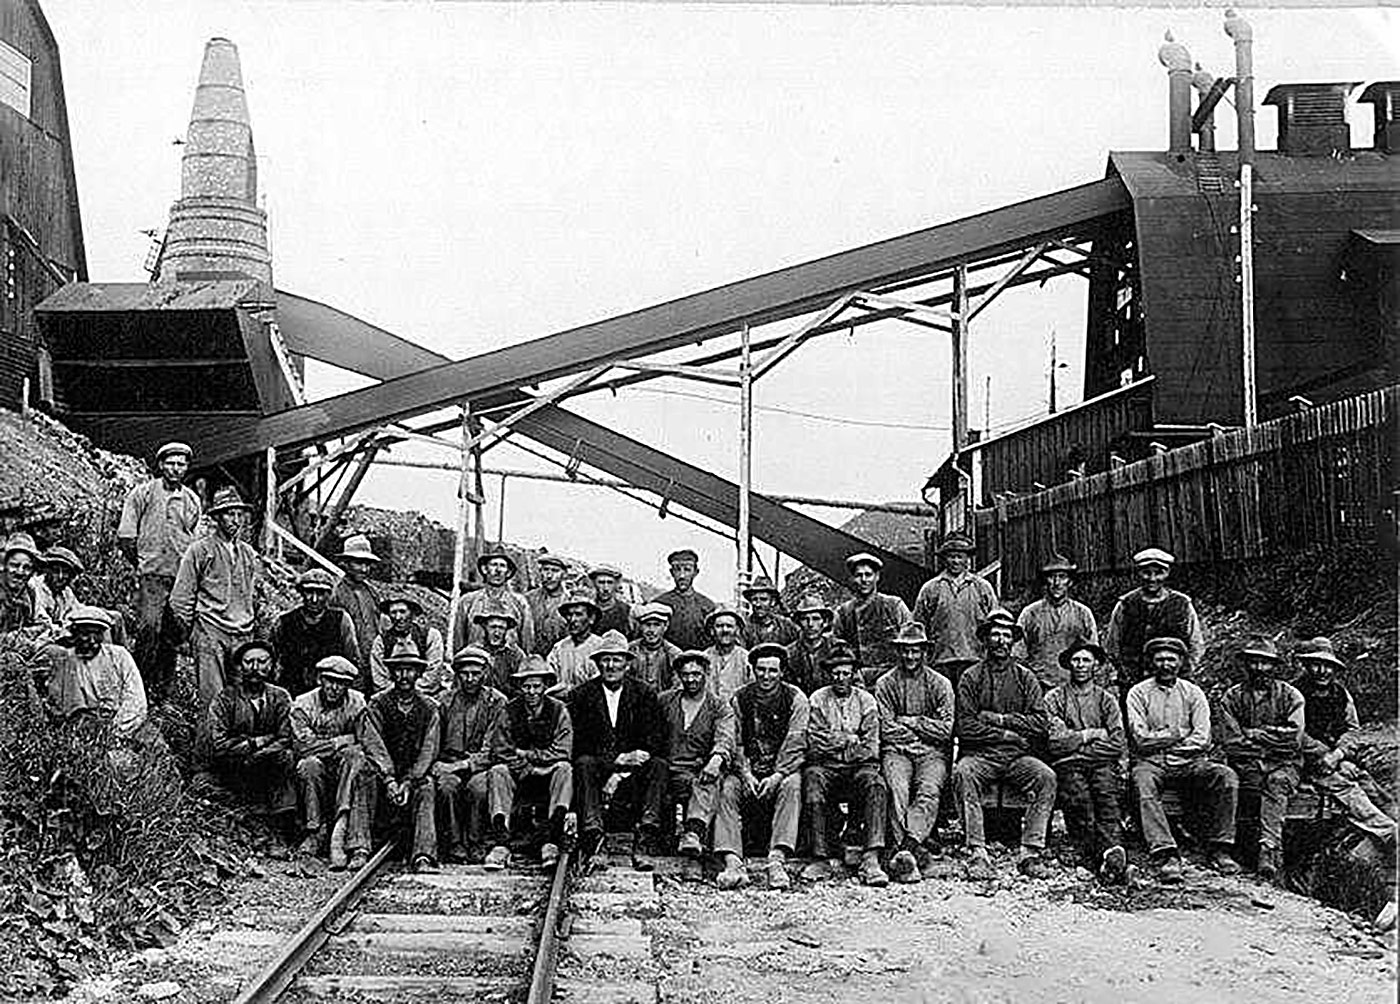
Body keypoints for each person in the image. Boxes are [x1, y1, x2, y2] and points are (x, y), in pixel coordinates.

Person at [1126, 636, 1241, 883]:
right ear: (1151, 663)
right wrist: (1177, 735)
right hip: (1152, 763)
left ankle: (1220, 847)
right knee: (1142, 781)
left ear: (1180, 662)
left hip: (1190, 763)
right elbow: (1140, 739)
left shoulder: (1193, 693)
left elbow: (1202, 738)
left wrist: (1165, 743)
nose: (1165, 665)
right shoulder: (1138, 693)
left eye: (1171, 659)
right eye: (1159, 659)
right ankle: (1165, 853)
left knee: (1225, 776)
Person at [952, 609, 1056, 881]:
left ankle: (1030, 850)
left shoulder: (1025, 677)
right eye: (995, 634)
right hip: (981, 755)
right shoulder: (971, 677)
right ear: (986, 639)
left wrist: (1000, 719)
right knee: (963, 773)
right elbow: (965, 726)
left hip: (1016, 758)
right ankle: (976, 850)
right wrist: (1007, 734)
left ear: (1013, 641)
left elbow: (1039, 723)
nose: (1000, 640)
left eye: (1006, 635)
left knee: (1046, 777)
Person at [567, 631, 668, 870]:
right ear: (598, 663)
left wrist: (620, 773)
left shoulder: (644, 694)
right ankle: (595, 840)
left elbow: (654, 741)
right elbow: (580, 745)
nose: (611, 666)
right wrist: (616, 760)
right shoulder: (581, 696)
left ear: (627, 664)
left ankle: (644, 841)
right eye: (606, 660)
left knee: (659, 766)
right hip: (597, 770)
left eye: (617, 660)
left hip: (634, 773)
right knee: (583, 764)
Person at [714, 643, 808, 891]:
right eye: (761, 670)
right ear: (753, 670)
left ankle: (777, 858)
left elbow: (796, 741)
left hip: (781, 769)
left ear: (782, 672)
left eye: (772, 670)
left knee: (793, 785)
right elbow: (734, 740)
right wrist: (745, 772)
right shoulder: (740, 698)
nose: (766, 676)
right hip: (747, 769)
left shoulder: (795, 698)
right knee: (727, 788)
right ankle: (732, 860)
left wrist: (777, 775)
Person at [802, 643, 890, 887]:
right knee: (812, 779)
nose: (840, 679)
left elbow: (870, 747)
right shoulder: (817, 699)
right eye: (836, 673)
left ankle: (871, 856)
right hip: (826, 767)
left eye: (846, 673)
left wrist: (837, 745)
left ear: (853, 674)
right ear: (829, 674)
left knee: (875, 783)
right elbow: (814, 744)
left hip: (859, 767)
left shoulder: (866, 701)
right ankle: (820, 857)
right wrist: (847, 739)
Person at [117, 441, 201, 698]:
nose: (175, 469)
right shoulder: (143, 493)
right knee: (149, 628)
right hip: (152, 576)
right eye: (170, 463)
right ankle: (137, 687)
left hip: (181, 579)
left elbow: (195, 541)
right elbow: (126, 536)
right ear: (161, 465)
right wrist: (143, 563)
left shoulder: (192, 500)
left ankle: (163, 690)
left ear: (186, 467)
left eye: (181, 464)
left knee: (173, 632)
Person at [1293, 637, 1396, 844]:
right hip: (1303, 761)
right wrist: (1324, 755)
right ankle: (1388, 832)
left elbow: (1353, 731)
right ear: (1306, 666)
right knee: (1345, 786)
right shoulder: (1292, 693)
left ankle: (1394, 817)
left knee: (1365, 780)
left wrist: (1338, 754)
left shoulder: (1341, 694)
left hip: (1335, 758)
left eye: (1327, 666)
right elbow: (1294, 733)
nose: (1322, 671)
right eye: (1316, 665)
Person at [1219, 636, 1306, 881]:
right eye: (1254, 662)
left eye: (1265, 663)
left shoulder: (1291, 696)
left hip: (1285, 765)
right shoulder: (1232, 697)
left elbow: (1293, 740)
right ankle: (1240, 852)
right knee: (1247, 786)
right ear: (1246, 665)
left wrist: (1255, 734)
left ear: (1274, 666)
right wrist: (1271, 742)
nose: (1259, 668)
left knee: (1277, 782)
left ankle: (1269, 851)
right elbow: (1232, 743)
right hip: (1246, 765)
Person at [170, 487, 262, 710]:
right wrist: (189, 634)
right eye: (229, 514)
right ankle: (209, 735)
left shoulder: (248, 554)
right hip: (210, 631)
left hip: (243, 634)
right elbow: (181, 598)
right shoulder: (200, 550)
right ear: (217, 518)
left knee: (243, 699)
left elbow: (254, 596)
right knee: (213, 701)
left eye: (239, 514)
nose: (236, 520)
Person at [875, 622, 954, 882]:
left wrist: (914, 722)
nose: (910, 656)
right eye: (905, 650)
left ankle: (906, 847)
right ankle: (912, 849)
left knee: (929, 789)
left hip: (931, 753)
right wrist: (921, 732)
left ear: (924, 652)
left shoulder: (940, 684)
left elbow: (945, 730)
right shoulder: (886, 683)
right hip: (897, 750)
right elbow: (886, 728)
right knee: (896, 787)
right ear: (899, 652)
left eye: (915, 650)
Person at [1044, 638, 1127, 882]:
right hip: (1068, 766)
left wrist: (1077, 747)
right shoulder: (1054, 698)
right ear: (1069, 665)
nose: (1080, 665)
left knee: (1106, 797)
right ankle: (1100, 857)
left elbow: (1117, 742)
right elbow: (1055, 743)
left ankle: (1112, 854)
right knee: (1079, 799)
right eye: (1076, 660)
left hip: (1100, 762)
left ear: (1096, 665)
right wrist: (1090, 734)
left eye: (1086, 660)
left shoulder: (1107, 700)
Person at [485, 657, 575, 868]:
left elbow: (563, 750)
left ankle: (551, 840)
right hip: (519, 774)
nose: (532, 692)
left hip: (549, 773)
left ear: (545, 686)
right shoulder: (509, 710)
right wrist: (527, 768)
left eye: (536, 686)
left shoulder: (558, 710)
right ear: (520, 687)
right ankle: (501, 842)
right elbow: (501, 750)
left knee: (565, 769)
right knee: (498, 771)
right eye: (526, 687)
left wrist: (530, 755)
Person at [361, 637, 441, 872]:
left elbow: (429, 749)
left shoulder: (429, 707)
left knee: (427, 787)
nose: (404, 676)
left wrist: (408, 781)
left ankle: (423, 855)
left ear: (418, 673)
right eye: (399, 670)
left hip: (413, 776)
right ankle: (359, 847)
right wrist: (388, 779)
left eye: (410, 670)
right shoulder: (377, 704)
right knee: (363, 777)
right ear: (391, 672)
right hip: (383, 773)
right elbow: (373, 743)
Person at [656, 650, 734, 879]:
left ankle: (694, 833)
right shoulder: (665, 701)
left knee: (710, 780)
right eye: (686, 674)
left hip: (700, 769)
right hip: (669, 768)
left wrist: (717, 758)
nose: (691, 679)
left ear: (706, 674)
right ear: (679, 676)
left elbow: (725, 736)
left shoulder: (719, 706)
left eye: (696, 674)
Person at [290, 655, 371, 871]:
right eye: (330, 681)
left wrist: (332, 744)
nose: (335, 688)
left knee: (356, 756)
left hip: (344, 768)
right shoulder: (303, 704)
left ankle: (342, 827)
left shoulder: (357, 703)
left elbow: (364, 740)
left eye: (341, 683)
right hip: (317, 769)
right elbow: (303, 748)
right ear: (320, 679)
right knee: (309, 765)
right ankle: (315, 831)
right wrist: (340, 741)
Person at [204, 639, 297, 823]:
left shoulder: (280, 697)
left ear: (271, 666)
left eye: (262, 662)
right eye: (248, 662)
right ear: (239, 666)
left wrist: (259, 753)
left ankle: (283, 820)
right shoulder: (225, 698)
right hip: (236, 765)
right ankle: (249, 813)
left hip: (269, 762)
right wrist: (256, 742)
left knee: (285, 756)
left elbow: (286, 737)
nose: (255, 668)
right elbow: (218, 744)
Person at [433, 646, 509, 865]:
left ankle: (477, 841)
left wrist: (463, 765)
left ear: (484, 673)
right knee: (447, 787)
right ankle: (455, 842)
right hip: (448, 762)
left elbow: (493, 748)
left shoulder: (497, 701)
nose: (470, 679)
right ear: (457, 675)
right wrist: (439, 765)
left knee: (479, 788)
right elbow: (434, 738)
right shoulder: (444, 701)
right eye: (465, 674)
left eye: (475, 673)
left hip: (481, 766)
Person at [1104, 548, 1205, 696]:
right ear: (1138, 573)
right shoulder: (1125, 604)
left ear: (1167, 573)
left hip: (1173, 681)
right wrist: (1124, 672)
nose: (1152, 579)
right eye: (1146, 572)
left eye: (1158, 573)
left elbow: (1196, 644)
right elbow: (1113, 646)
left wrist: (1185, 672)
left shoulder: (1182, 604)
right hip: (1134, 682)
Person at [43, 606, 148, 741]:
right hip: (87, 728)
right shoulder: (66, 661)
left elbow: (136, 700)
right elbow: (64, 710)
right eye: (85, 634)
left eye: (97, 634)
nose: (92, 641)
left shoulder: (119, 656)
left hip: (124, 722)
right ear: (75, 634)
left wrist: (115, 731)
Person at [912, 533, 998, 690]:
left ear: (967, 559)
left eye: (960, 557)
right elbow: (918, 626)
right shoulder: (931, 588)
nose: (956, 561)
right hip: (940, 661)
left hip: (975, 659)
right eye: (951, 557)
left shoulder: (982, 587)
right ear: (944, 559)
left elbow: (995, 623)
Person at [270, 569, 360, 699]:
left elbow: (352, 658)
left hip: (331, 692)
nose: (314, 599)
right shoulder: (285, 622)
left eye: (321, 593)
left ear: (329, 595)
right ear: (301, 592)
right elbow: (272, 660)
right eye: (309, 592)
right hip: (292, 691)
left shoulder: (341, 620)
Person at [1015, 555, 1099, 691]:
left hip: (1074, 685)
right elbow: (1018, 655)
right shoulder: (1030, 613)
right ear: (1045, 581)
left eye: (1062, 577)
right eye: (1052, 577)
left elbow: (1093, 653)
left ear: (1070, 582)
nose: (1057, 583)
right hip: (1039, 685)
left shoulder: (1083, 613)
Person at [833, 552, 911, 687]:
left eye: (868, 575)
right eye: (859, 575)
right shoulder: (844, 612)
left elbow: (912, 640)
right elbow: (838, 649)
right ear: (852, 578)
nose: (864, 580)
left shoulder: (894, 605)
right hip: (859, 681)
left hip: (893, 677)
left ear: (877, 577)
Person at [454, 547, 534, 655]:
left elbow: (527, 642)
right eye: (494, 565)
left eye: (502, 566)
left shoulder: (520, 603)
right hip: (475, 662)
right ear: (484, 569)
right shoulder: (467, 602)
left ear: (508, 572)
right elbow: (458, 641)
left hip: (509, 662)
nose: (498, 570)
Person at [331, 535, 383, 690]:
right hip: (348, 664)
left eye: (367, 564)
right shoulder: (336, 594)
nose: (364, 569)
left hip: (373, 663)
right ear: (346, 563)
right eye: (358, 563)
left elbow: (378, 626)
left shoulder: (372, 593)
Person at [371, 594, 446, 697]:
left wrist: (413, 692)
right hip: (391, 695)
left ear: (412, 613)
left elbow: (434, 671)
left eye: (402, 611)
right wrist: (397, 691)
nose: (398, 617)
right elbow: (379, 678)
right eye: (393, 612)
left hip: (426, 694)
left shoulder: (431, 636)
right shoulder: (381, 641)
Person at [652, 548, 718, 652]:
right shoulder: (659, 604)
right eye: (677, 570)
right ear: (671, 572)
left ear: (695, 572)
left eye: (687, 570)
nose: (682, 575)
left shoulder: (707, 606)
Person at [546, 590, 605, 693]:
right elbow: (549, 677)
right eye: (569, 615)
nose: (573, 620)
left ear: (591, 618)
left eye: (578, 614)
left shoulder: (601, 647)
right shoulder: (559, 648)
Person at [784, 594, 839, 695]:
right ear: (799, 623)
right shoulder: (789, 654)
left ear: (825, 622)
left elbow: (853, 683)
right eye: (805, 619)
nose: (810, 624)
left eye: (816, 618)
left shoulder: (837, 649)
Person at [474, 601, 526, 695]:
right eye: (493, 627)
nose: (497, 633)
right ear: (484, 627)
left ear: (506, 629)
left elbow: (524, 686)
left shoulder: (516, 655)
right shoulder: (474, 652)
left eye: (501, 628)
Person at [630, 602, 681, 692]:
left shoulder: (674, 654)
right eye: (647, 625)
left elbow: (678, 686)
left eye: (657, 625)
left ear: (665, 626)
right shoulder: (630, 651)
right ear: (640, 627)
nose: (651, 630)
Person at [525, 554, 570, 657]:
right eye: (546, 570)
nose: (549, 576)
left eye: (555, 571)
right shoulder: (528, 600)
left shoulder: (570, 602)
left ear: (564, 574)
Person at [703, 606, 751, 701]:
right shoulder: (703, 658)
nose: (725, 630)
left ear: (737, 630)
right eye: (719, 626)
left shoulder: (746, 659)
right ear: (712, 631)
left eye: (729, 626)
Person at [0, 532, 41, 635]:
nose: (20, 572)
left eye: (27, 568)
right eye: (14, 565)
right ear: (4, 565)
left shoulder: (29, 593)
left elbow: (39, 622)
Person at [743, 577, 798, 648]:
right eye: (754, 599)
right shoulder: (745, 626)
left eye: (763, 599)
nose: (758, 604)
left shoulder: (786, 625)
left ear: (773, 602)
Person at [588, 564, 637, 639]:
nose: (606, 588)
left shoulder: (627, 611)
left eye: (610, 582)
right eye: (601, 582)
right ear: (594, 584)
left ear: (616, 584)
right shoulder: (587, 610)